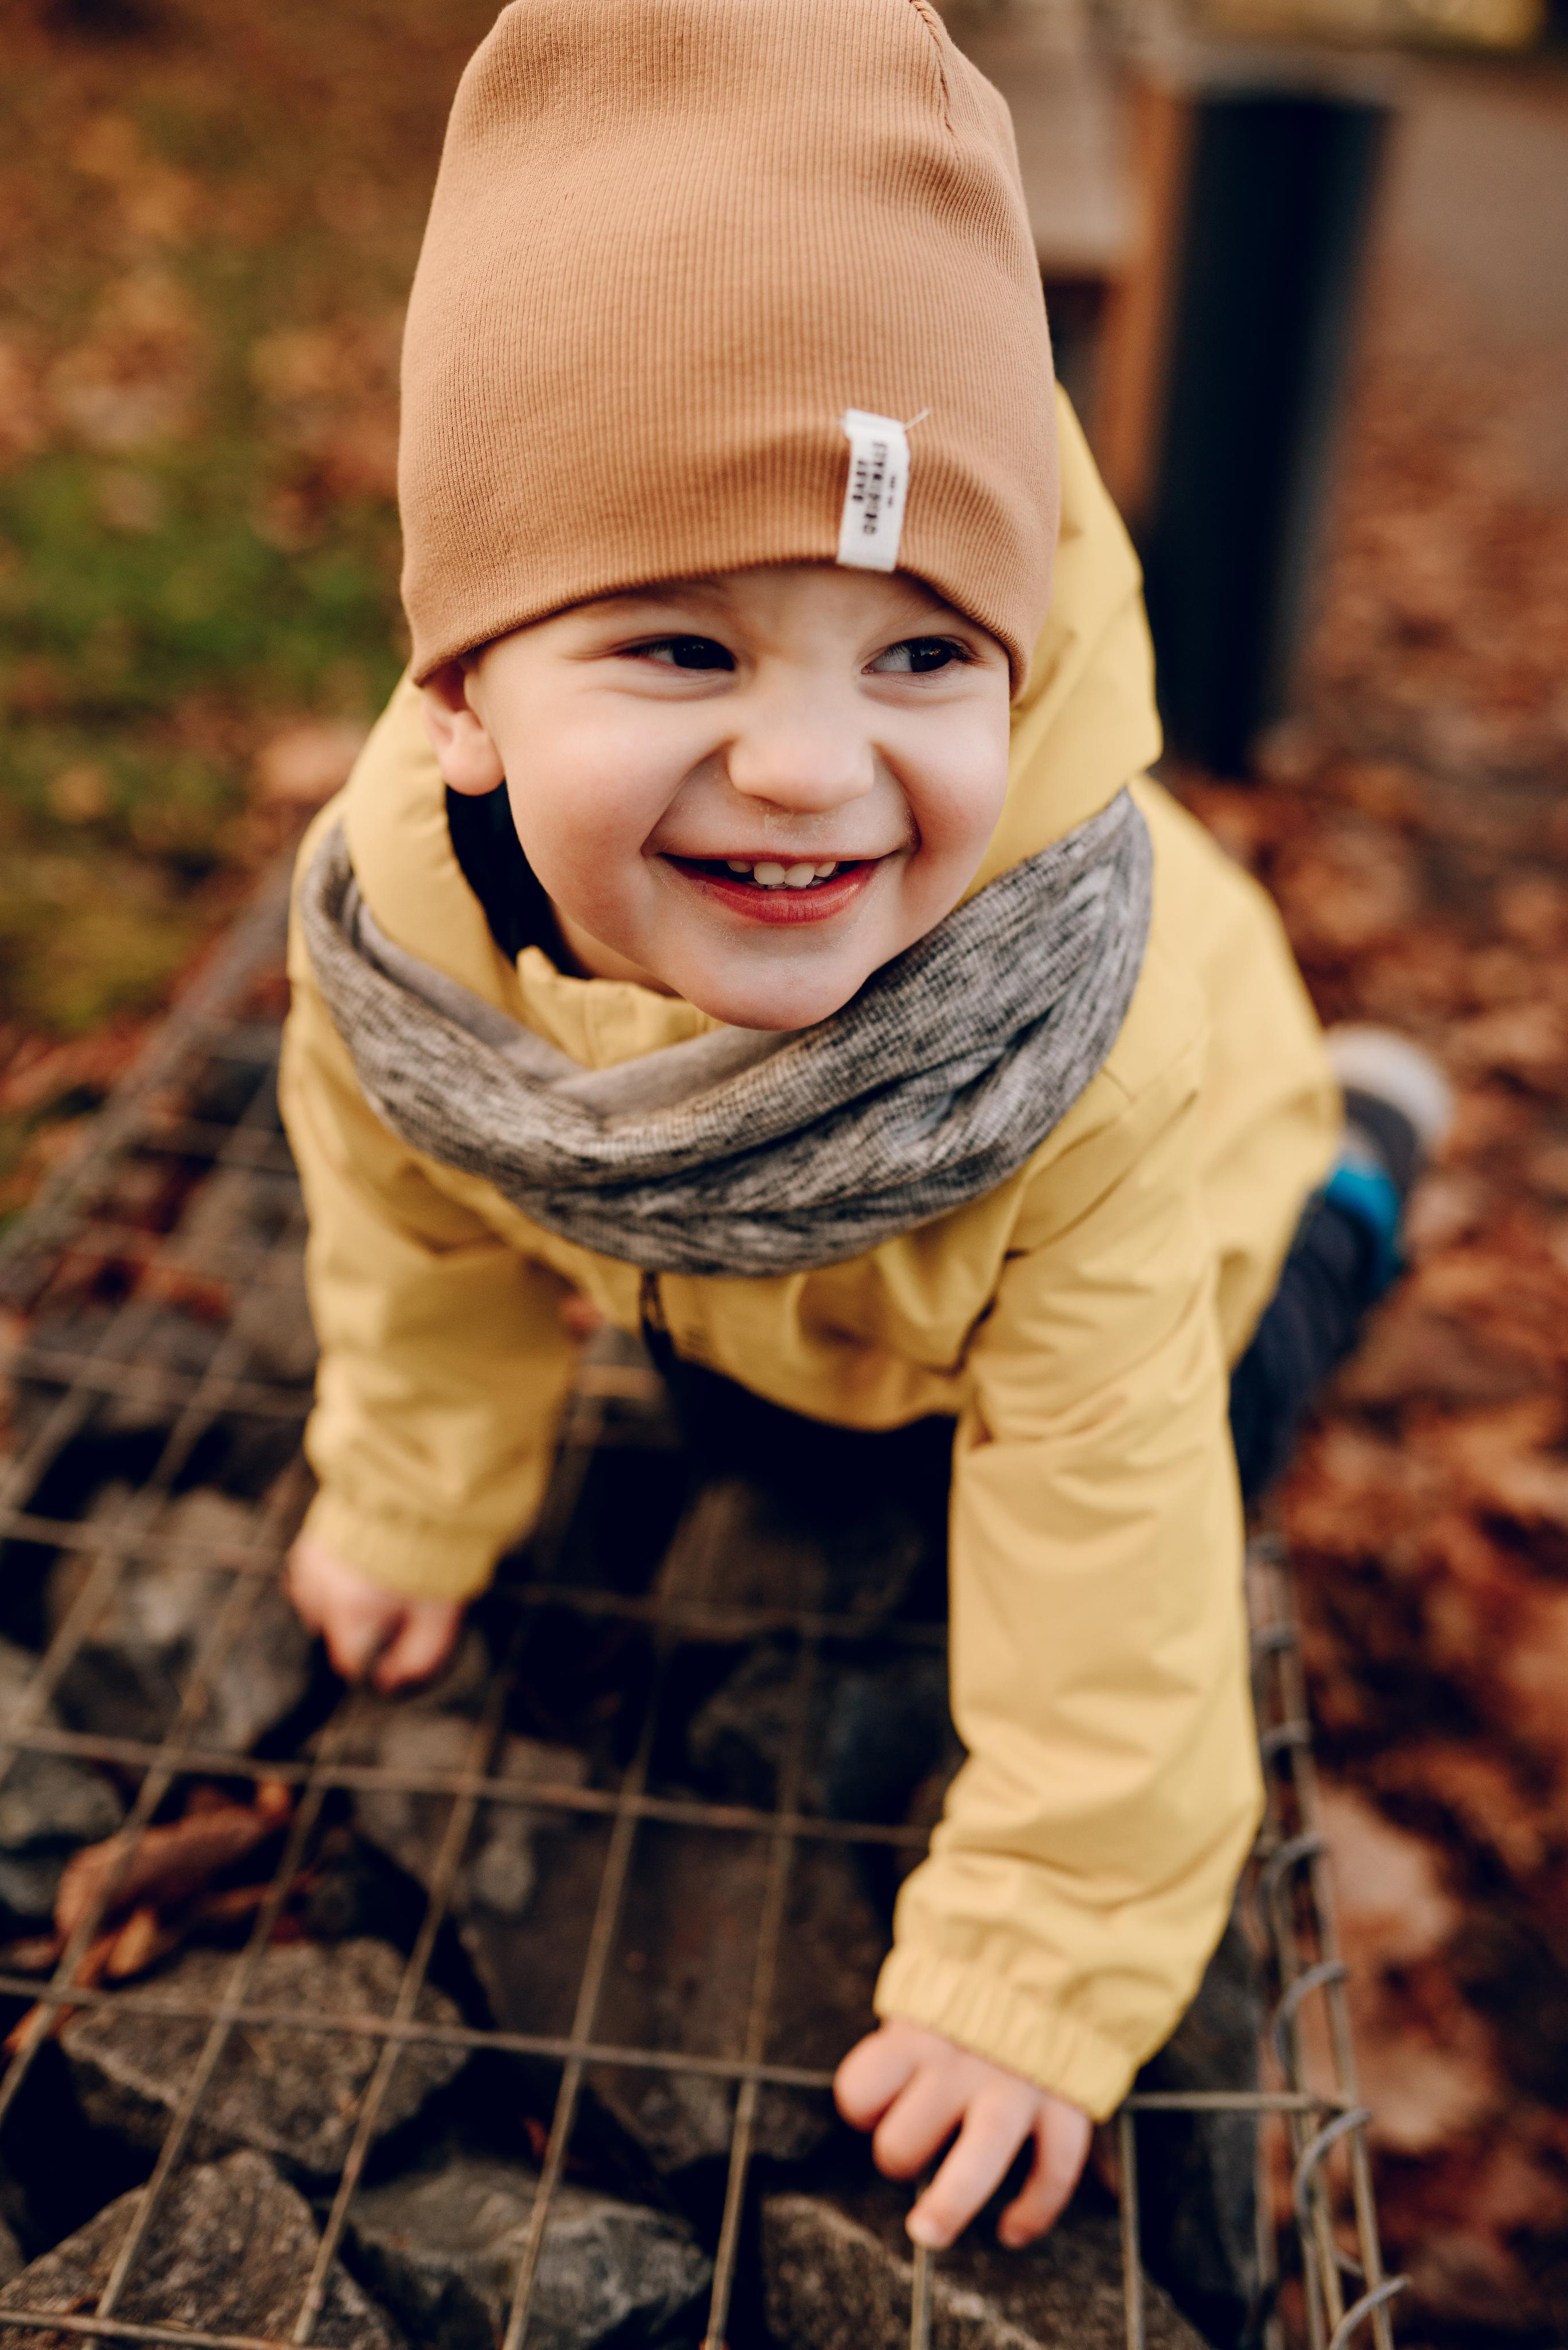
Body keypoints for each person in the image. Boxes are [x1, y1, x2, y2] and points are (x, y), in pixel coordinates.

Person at [279, 0, 1447, 2261]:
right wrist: (413, 1495)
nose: (816, 768)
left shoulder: (1074, 1054)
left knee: (1237, 1364)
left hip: (1167, 1248)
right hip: (786, 1291)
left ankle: (1376, 1164)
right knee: (793, 1464)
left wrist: (1043, 1952)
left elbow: (1106, 1519)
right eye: (684, 654)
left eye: (921, 656)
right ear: (459, 699)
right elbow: (412, 1235)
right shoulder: (400, 932)